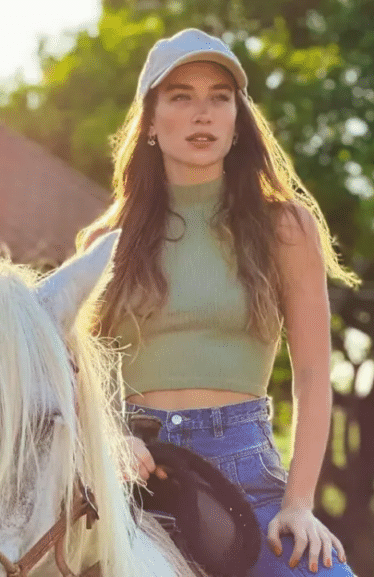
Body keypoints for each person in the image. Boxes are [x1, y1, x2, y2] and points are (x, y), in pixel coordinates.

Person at [76, 28, 359, 576]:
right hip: (128, 480)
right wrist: (112, 437)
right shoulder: (103, 242)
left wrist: (299, 505)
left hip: (246, 476)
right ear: (150, 121)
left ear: (237, 121)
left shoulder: (285, 227)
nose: (202, 113)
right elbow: (82, 374)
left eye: (219, 98)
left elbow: (312, 374)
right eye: (181, 97)